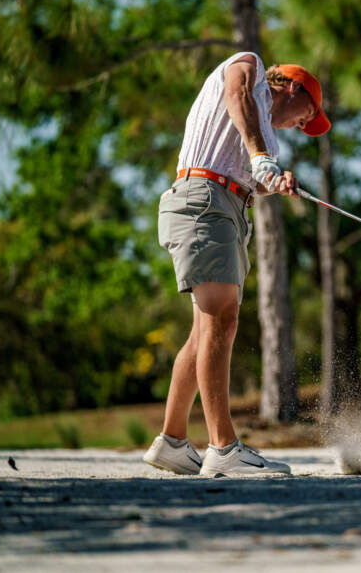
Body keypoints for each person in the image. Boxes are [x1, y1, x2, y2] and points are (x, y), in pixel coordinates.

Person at [143, 51, 330, 477]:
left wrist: (273, 181)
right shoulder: (249, 68)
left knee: (205, 330)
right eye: (309, 114)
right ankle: (224, 448)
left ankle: (172, 442)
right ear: (294, 87)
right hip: (203, 201)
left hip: (226, 206)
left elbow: (249, 172)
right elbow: (238, 93)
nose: (306, 124)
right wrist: (261, 156)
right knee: (221, 323)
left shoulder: (267, 135)